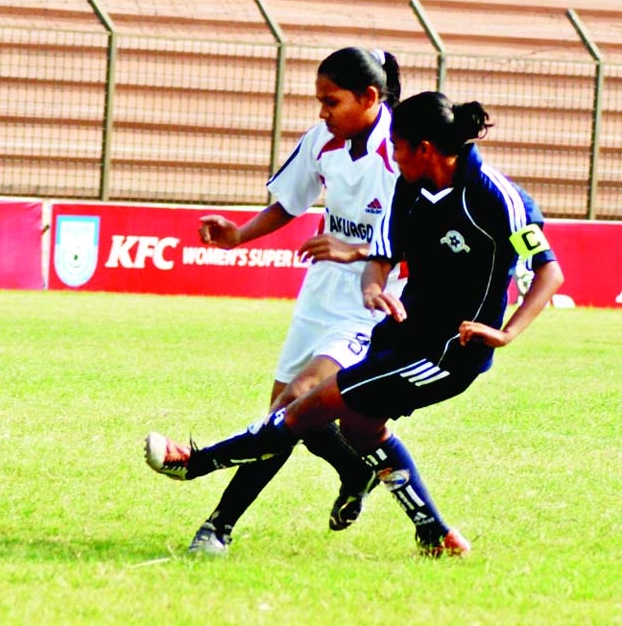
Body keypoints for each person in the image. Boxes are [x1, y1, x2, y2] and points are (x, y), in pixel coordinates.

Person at [145, 91, 564, 557]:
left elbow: (550, 271)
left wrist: (505, 332)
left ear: (423, 147)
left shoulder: (494, 197)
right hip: (403, 335)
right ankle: (435, 535)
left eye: (399, 146)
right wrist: (372, 287)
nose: (393, 154)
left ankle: (197, 463)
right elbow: (383, 255)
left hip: (446, 354)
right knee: (362, 429)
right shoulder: (411, 185)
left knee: (303, 405)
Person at [182, 46, 405, 555]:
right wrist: (239, 235)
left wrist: (359, 252)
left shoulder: (404, 151)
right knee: (287, 417)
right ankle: (355, 471)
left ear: (370, 97)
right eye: (320, 101)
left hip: (374, 300)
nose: (322, 112)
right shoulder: (324, 139)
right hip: (322, 291)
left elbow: (418, 238)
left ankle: (217, 526)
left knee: (295, 400)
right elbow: (290, 200)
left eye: (332, 101)